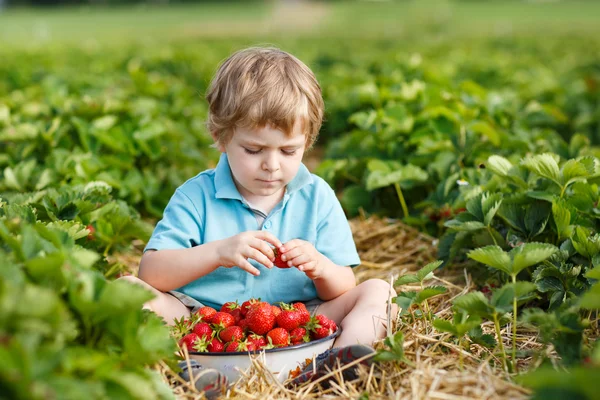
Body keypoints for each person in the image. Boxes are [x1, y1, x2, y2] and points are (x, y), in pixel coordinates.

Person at [120, 46, 396, 394]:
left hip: (301, 320)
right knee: (129, 291)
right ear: (220, 137)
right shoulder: (196, 196)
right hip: (203, 322)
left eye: (288, 151)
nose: (272, 165)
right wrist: (217, 252)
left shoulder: (317, 196)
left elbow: (344, 283)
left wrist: (320, 267)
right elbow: (152, 272)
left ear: (307, 142)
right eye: (254, 150)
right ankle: (184, 370)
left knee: (378, 291)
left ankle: (339, 366)